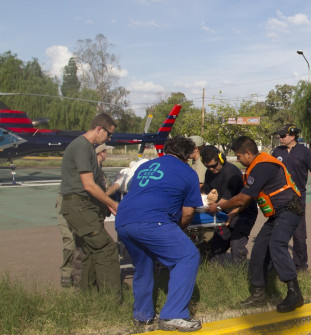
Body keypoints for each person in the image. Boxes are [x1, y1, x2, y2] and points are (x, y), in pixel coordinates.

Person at [206, 136, 305, 313]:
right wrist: (234, 211)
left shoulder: (262, 166)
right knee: (259, 251)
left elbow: (242, 197)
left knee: (277, 244)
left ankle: (294, 294)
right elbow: (248, 197)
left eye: (238, 156)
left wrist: (220, 205)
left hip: (289, 210)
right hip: (276, 215)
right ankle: (259, 295)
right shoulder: (255, 166)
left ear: (248, 153)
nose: (237, 160)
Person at [115, 136, 203, 332]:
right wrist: (175, 230)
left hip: (124, 220)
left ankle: (142, 317)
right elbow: (188, 212)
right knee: (187, 256)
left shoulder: (144, 167)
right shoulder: (188, 173)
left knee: (143, 266)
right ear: (188, 155)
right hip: (153, 220)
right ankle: (174, 314)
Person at [59, 114, 121, 298]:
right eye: (109, 135)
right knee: (106, 250)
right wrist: (112, 203)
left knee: (87, 251)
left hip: (82, 207)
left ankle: (87, 296)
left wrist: (104, 204)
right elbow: (88, 185)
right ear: (99, 128)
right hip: (79, 206)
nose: (108, 139)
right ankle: (111, 299)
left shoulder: (86, 148)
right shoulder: (82, 147)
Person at [272, 124, 311, 272]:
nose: (280, 138)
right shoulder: (277, 151)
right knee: (277, 231)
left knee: (299, 233)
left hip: (297, 196)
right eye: (279, 136)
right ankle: (276, 265)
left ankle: (300, 265)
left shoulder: (304, 152)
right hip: (279, 196)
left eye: (283, 136)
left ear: (292, 136)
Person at [201, 145, 258, 264]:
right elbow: (206, 195)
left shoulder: (230, 172)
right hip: (225, 212)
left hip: (243, 212)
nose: (211, 169)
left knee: (236, 245)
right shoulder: (209, 172)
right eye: (208, 166)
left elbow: (225, 201)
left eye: (214, 166)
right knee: (217, 246)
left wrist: (215, 206)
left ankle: (239, 274)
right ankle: (215, 273)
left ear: (221, 159)